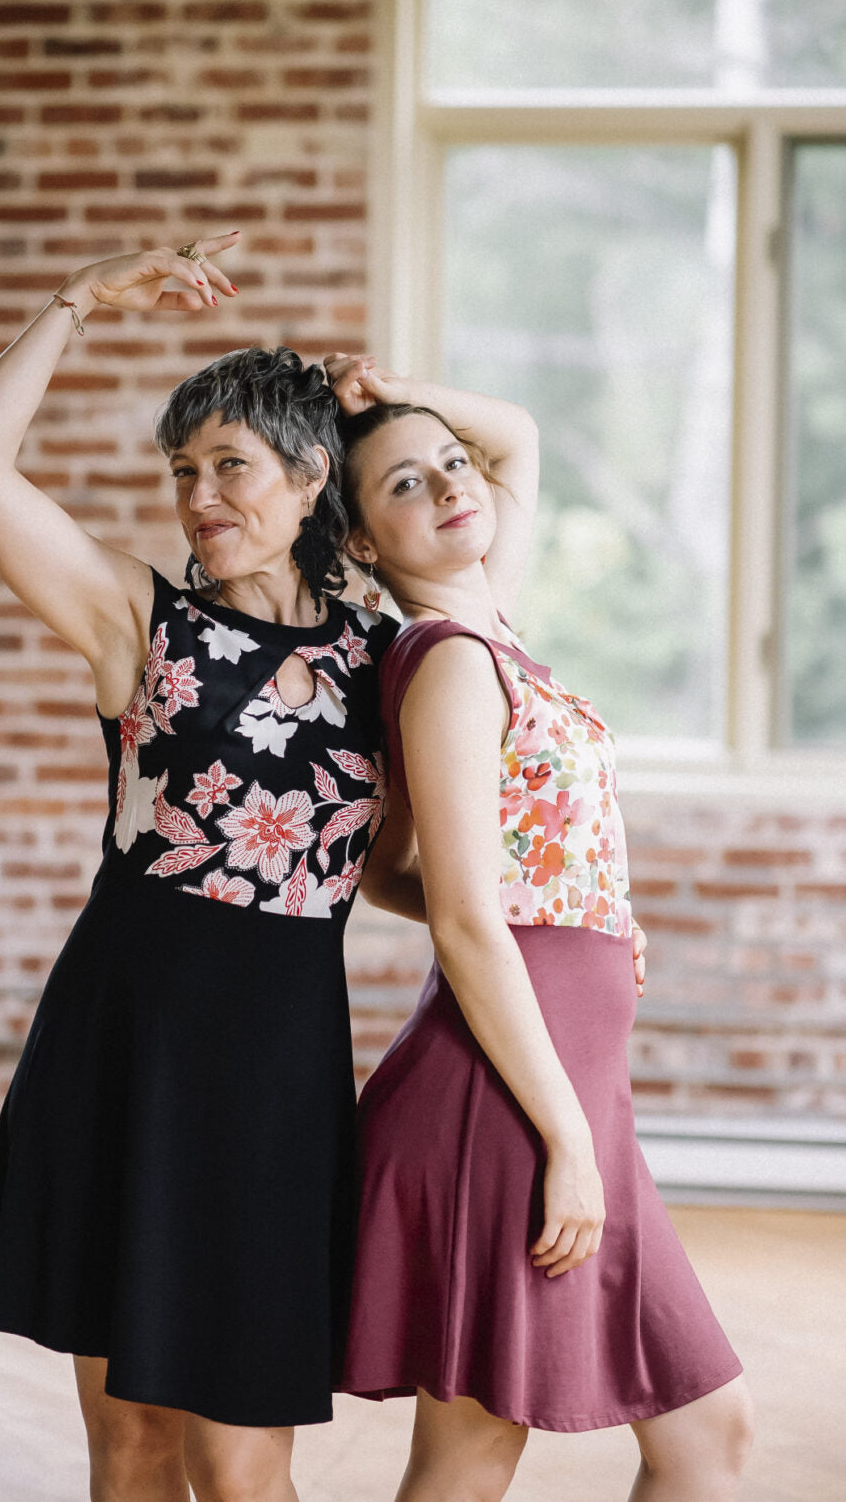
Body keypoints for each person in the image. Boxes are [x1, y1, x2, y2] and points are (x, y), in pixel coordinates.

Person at [0, 236, 406, 1502]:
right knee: (132, 1446)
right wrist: (75, 297)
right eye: (182, 469)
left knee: (245, 1466)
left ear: (310, 475)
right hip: (121, 1047)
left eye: (230, 466)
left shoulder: (387, 654)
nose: (199, 493)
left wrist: (547, 927)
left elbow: (387, 865)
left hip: (274, 1077)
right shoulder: (142, 622)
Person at [326, 353, 754, 1501]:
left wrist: (386, 387)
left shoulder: (487, 624)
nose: (450, 486)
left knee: (702, 1434)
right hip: (507, 1106)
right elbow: (462, 924)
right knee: (473, 1455)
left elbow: (513, 432)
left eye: (448, 467)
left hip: (560, 1083)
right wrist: (563, 1140)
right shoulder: (451, 666)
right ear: (361, 544)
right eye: (403, 487)